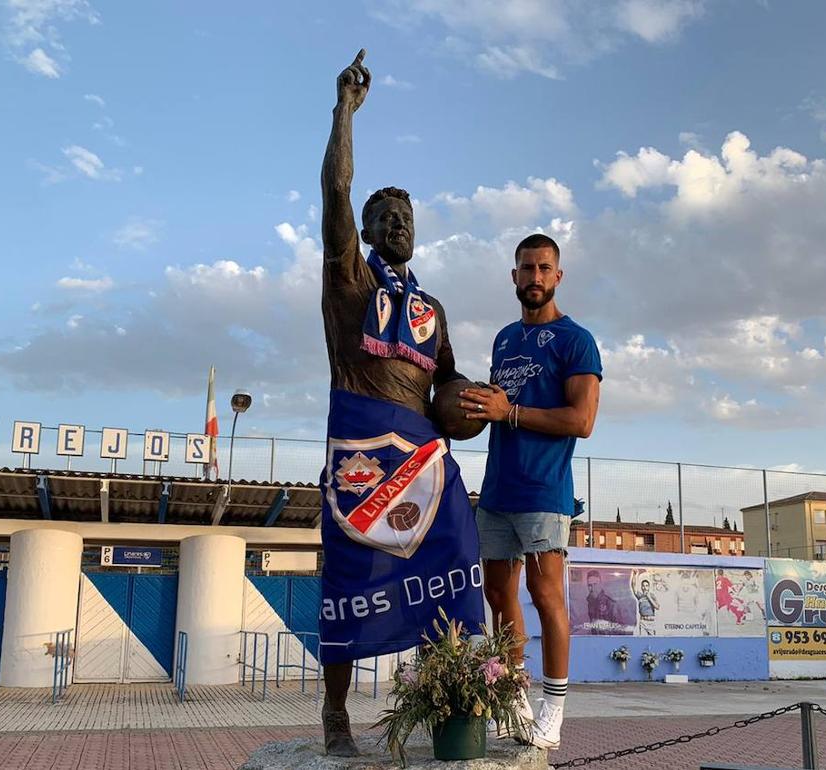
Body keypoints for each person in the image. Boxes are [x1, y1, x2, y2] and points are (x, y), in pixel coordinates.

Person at [317, 49, 484, 756]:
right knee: (350, 587)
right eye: (383, 216)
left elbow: (447, 380)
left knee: (457, 571)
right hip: (362, 455)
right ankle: (335, 714)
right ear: (365, 225)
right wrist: (345, 114)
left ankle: (458, 702)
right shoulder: (350, 278)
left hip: (424, 459)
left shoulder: (432, 308)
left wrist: (472, 403)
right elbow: (334, 190)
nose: (396, 225)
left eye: (405, 218)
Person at [460, 232, 603, 750]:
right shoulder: (503, 339)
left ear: (558, 276)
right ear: (514, 276)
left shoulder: (576, 340)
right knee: (499, 594)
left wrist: (510, 412)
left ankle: (554, 710)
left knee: (545, 596)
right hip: (497, 489)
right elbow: (497, 408)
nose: (535, 277)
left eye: (544, 268)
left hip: (545, 491)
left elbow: (582, 420)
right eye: (527, 268)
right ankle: (513, 695)